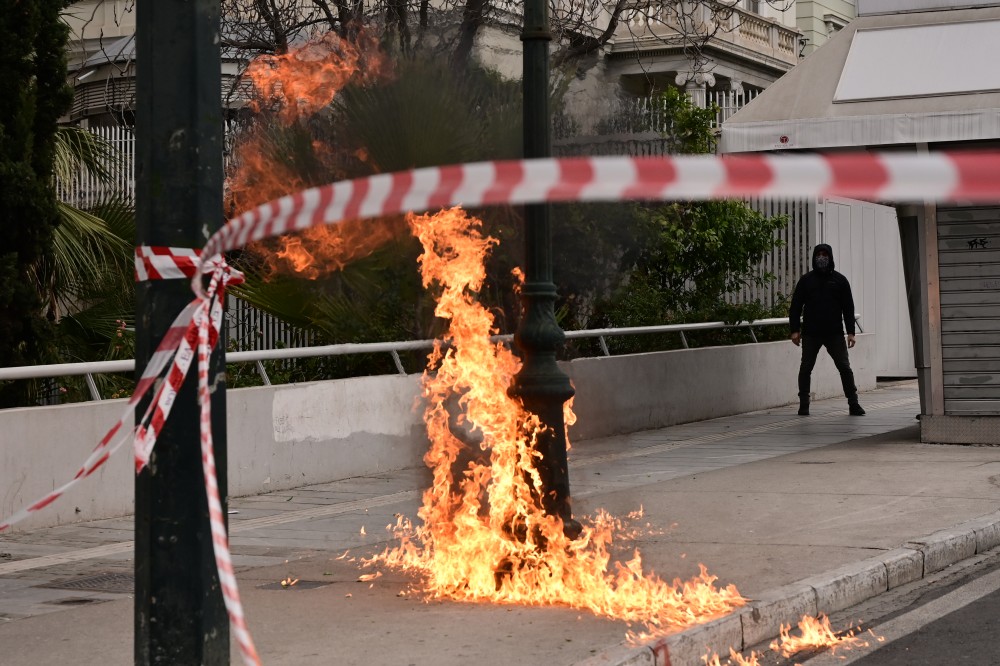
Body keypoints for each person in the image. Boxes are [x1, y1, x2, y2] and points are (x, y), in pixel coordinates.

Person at [789, 244, 865, 416]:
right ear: (814, 257)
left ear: (830, 257)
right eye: (818, 254)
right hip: (811, 333)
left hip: (834, 333)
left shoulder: (840, 280)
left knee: (845, 368)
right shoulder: (806, 280)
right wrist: (795, 330)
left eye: (824, 254)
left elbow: (848, 308)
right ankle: (804, 404)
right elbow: (795, 306)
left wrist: (851, 332)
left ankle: (854, 403)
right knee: (806, 368)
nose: (821, 258)